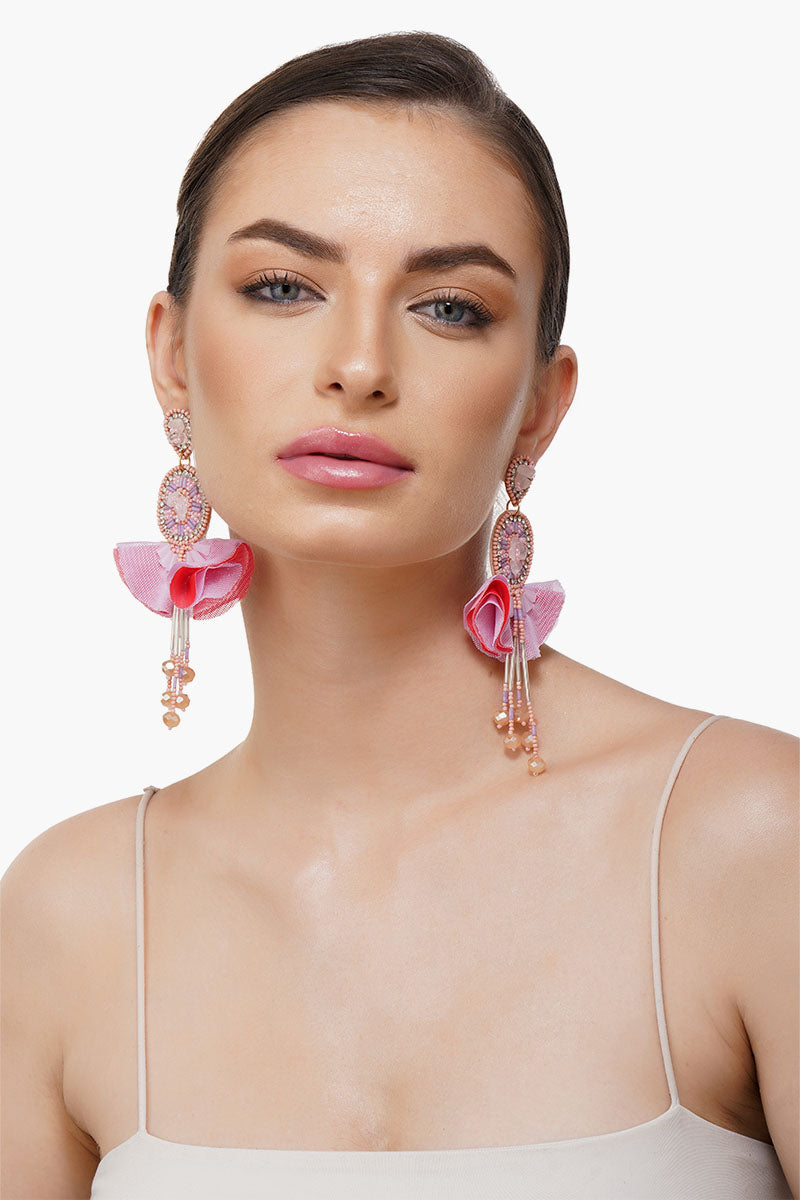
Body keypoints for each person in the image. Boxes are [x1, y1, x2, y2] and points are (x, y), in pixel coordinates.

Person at [2, 30, 797, 1200]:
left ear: (539, 404)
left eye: (449, 307)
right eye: (282, 287)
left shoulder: (750, 838)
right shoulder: (67, 916)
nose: (358, 364)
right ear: (171, 355)